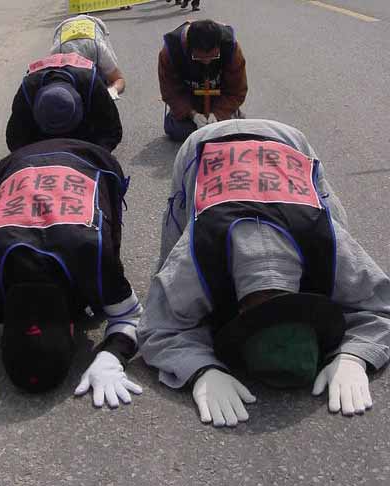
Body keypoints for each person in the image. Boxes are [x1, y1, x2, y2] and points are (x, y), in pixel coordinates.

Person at [137, 119, 390, 427]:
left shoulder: (328, 241)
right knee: (173, 246)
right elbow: (157, 324)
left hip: (287, 146)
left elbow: (159, 328)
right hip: (207, 145)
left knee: (330, 214)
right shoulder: (199, 251)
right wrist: (201, 369)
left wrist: (354, 357)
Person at [0, 138, 143, 417]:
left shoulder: (91, 255)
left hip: (87, 158)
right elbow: (130, 318)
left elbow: (131, 316)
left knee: (107, 237)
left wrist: (113, 355)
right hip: (21, 162)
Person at [6, 51, 122, 153]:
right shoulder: (28, 89)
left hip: (84, 134)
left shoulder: (91, 83)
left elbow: (112, 130)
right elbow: (15, 140)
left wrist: (92, 155)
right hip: (42, 138)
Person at [159, 20, 247, 142]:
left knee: (232, 131)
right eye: (199, 57)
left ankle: (228, 118)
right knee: (179, 131)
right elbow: (170, 91)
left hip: (220, 99)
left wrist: (218, 114)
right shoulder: (171, 51)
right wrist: (192, 114)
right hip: (189, 100)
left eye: (213, 56)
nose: (207, 62)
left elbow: (237, 89)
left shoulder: (230, 47)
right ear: (190, 47)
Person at [51, 14, 126, 100]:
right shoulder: (58, 52)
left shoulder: (98, 48)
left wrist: (112, 90)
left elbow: (118, 79)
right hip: (63, 29)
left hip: (94, 28)